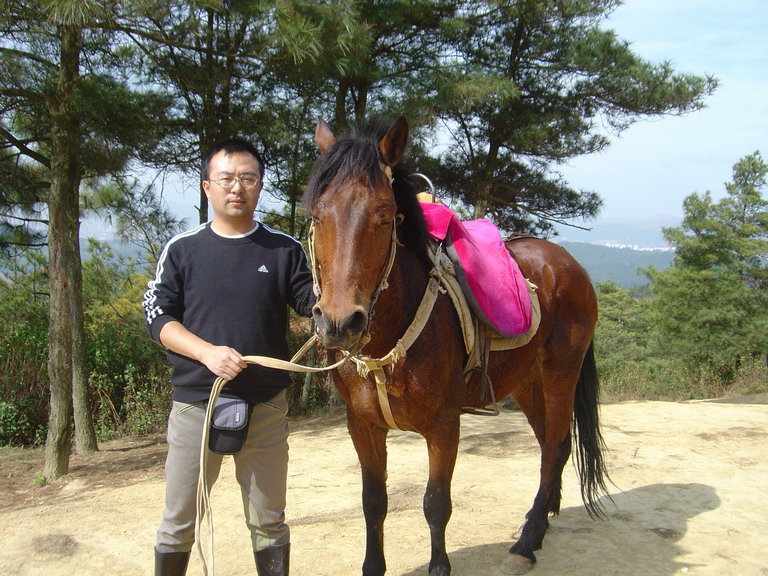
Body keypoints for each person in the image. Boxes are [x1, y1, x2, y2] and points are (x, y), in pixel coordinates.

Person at [142, 138, 315, 576]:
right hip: (196, 404)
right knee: (179, 522)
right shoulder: (182, 249)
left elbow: (311, 305)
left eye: (248, 178)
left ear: (260, 186)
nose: (237, 187)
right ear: (207, 187)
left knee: (269, 522)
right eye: (226, 179)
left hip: (267, 405)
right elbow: (158, 317)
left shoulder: (285, 250)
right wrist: (207, 353)